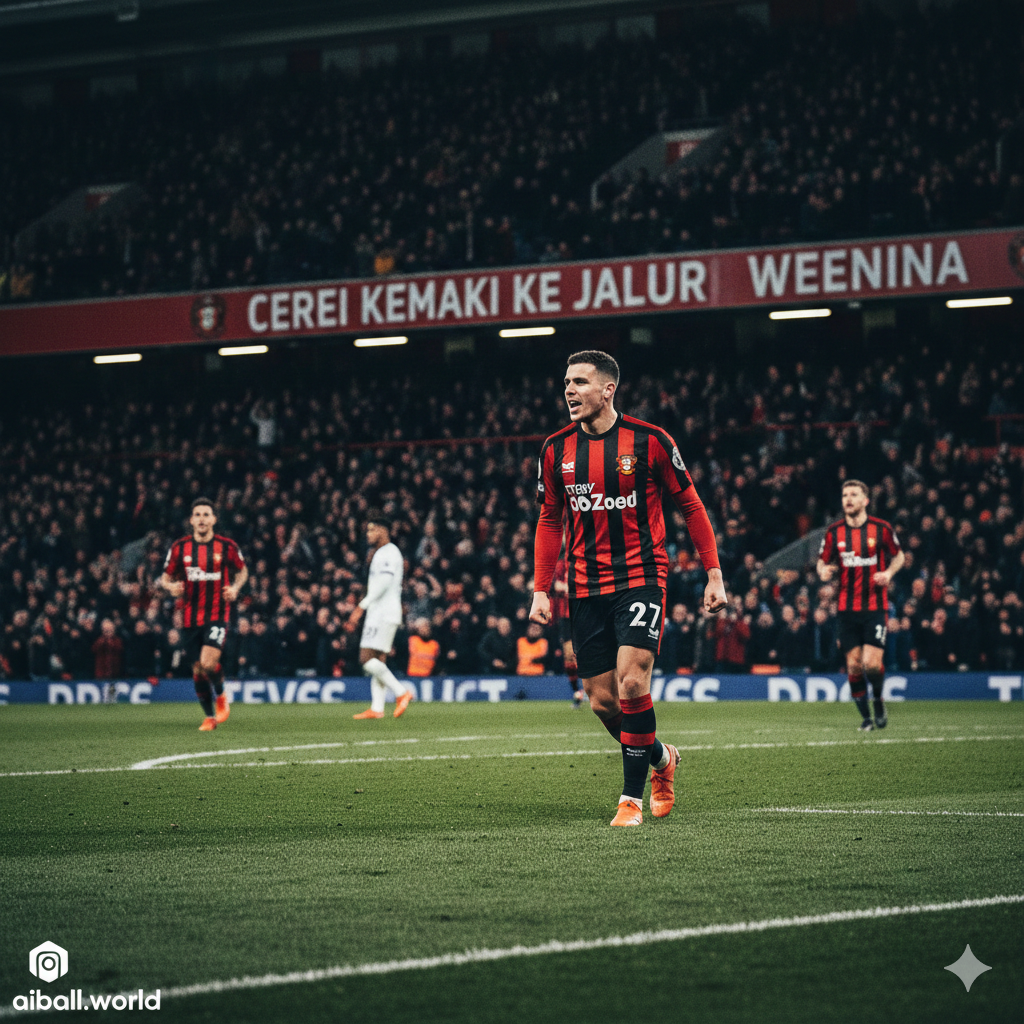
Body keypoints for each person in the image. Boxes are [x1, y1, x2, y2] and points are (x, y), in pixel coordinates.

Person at [530, 350, 727, 827]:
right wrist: (541, 588)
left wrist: (714, 573)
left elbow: (692, 505)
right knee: (602, 701)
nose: (570, 391)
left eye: (580, 382)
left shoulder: (651, 441)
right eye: (566, 382)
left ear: (608, 389)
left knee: (633, 680)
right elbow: (549, 518)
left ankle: (630, 800)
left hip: (641, 577)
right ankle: (662, 758)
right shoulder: (555, 450)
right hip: (583, 585)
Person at [817, 479, 904, 731]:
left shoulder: (882, 529)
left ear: (865, 500)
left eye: (854, 494)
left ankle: (878, 699)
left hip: (875, 607)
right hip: (845, 609)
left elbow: (900, 556)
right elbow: (821, 563)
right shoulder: (834, 532)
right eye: (845, 495)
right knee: (854, 665)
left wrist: (888, 574)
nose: (848, 499)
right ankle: (866, 718)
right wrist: (824, 571)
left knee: (872, 665)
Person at [159, 497, 248, 731]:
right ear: (191, 520)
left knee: (208, 663)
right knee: (197, 668)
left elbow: (242, 571)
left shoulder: (227, 546)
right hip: (190, 617)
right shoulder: (180, 548)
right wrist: (171, 587)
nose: (201, 519)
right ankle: (209, 717)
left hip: (217, 613)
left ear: (214, 519)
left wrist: (236, 588)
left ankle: (221, 695)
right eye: (197, 514)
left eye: (206, 514)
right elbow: (165, 578)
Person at [347, 509, 414, 720]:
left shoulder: (388, 552)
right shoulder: (381, 553)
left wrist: (361, 606)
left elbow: (384, 583)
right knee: (378, 662)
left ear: (383, 531)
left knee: (366, 659)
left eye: (372, 530)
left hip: (382, 612)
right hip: (384, 611)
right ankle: (377, 708)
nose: (368, 534)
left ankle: (401, 692)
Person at [551, 554, 585, 706]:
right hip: (565, 616)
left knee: (583, 653)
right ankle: (578, 691)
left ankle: (592, 688)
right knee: (568, 656)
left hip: (584, 613)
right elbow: (553, 585)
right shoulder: (561, 565)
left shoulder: (586, 562)